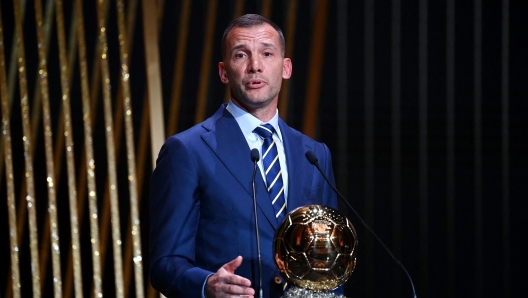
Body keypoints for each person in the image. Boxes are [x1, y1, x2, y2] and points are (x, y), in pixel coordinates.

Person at [149, 14, 341, 297]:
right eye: (241, 55)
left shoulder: (314, 154)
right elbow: (165, 263)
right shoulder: (187, 151)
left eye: (267, 53)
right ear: (224, 71)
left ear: (285, 67)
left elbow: (331, 256)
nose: (255, 66)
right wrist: (207, 285)